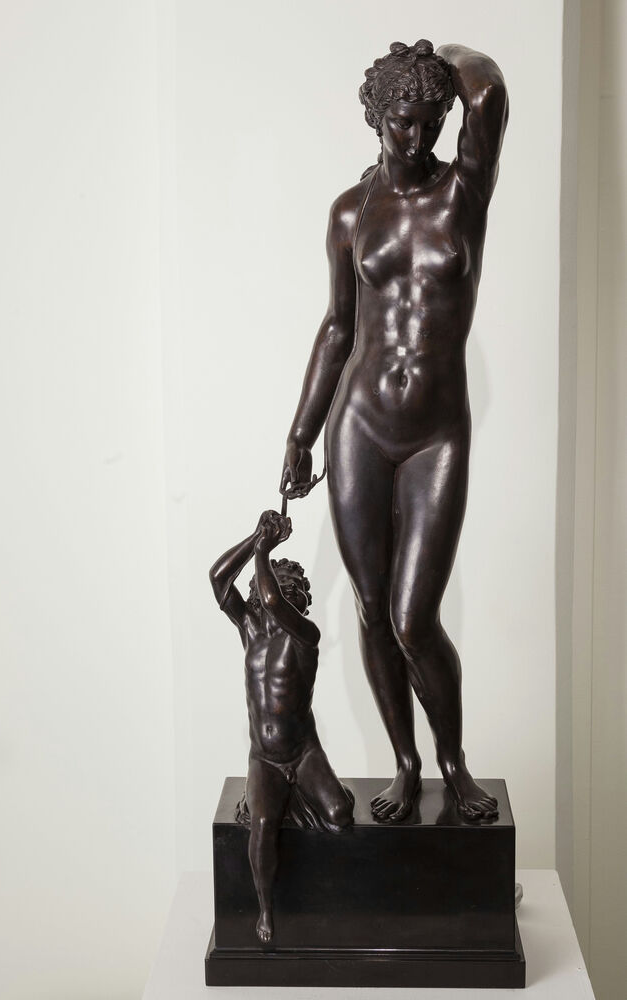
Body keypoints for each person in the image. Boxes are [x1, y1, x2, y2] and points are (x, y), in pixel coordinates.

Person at [281, 40, 508, 823]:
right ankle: (406, 766)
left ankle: (453, 762)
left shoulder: (464, 192)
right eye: (402, 122)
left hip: (437, 435)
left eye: (430, 120)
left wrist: (438, 57)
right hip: (360, 427)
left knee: (415, 618)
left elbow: (488, 91)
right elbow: (338, 328)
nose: (417, 138)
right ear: (375, 118)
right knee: (373, 608)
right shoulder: (351, 211)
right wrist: (301, 433)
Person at [209, 510, 353, 943]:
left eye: (292, 590)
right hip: (265, 758)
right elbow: (218, 579)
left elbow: (275, 604)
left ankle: (312, 795)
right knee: (263, 823)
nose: (280, 594)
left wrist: (264, 551)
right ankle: (266, 909)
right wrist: (255, 537)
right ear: (255, 592)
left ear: (301, 602)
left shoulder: (306, 636)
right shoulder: (250, 630)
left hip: (302, 752)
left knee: (340, 814)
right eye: (275, 584)